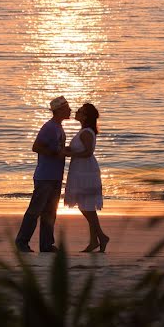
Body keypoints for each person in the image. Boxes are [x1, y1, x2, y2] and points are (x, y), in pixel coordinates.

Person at [15, 96, 71, 253]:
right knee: (35, 210)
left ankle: (46, 245)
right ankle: (21, 242)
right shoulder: (49, 127)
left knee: (50, 212)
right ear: (59, 110)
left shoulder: (58, 127)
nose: (70, 110)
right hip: (45, 176)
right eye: (67, 108)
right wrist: (55, 153)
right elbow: (36, 147)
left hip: (55, 176)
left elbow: (59, 149)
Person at [63, 103, 109, 253]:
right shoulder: (83, 131)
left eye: (80, 111)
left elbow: (88, 152)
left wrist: (68, 154)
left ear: (85, 116)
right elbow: (80, 149)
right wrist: (64, 150)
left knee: (86, 206)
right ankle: (94, 240)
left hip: (85, 171)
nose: (76, 112)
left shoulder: (86, 132)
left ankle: (100, 237)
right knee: (86, 205)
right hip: (80, 169)